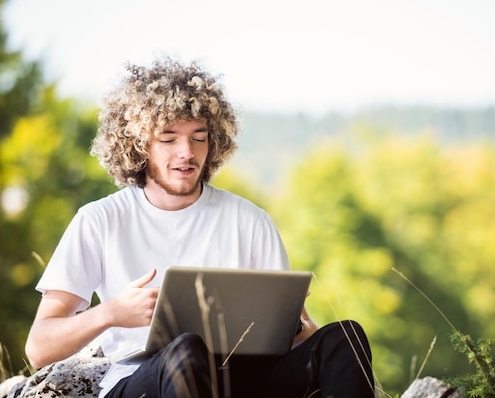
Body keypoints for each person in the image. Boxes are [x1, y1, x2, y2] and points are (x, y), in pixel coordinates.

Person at [25, 56, 375, 398]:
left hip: (245, 379)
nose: (186, 153)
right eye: (168, 138)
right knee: (188, 350)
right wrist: (113, 313)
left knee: (346, 337)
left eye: (199, 137)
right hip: (144, 379)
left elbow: (302, 337)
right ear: (138, 144)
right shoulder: (99, 219)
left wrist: (293, 323)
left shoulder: (250, 221)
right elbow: (39, 348)